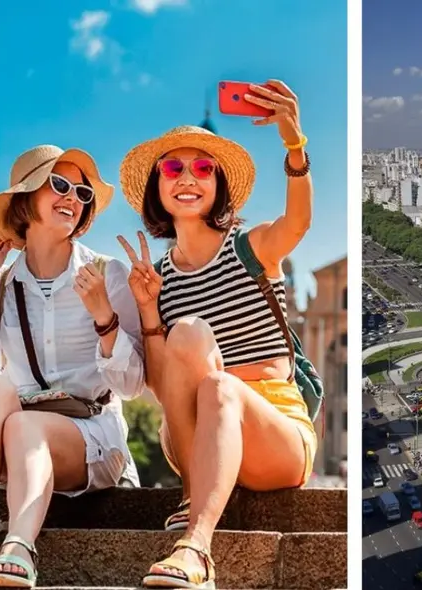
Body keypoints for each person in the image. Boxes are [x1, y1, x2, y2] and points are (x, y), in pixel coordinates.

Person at [117, 80, 316, 588]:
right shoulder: (157, 278)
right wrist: (147, 310)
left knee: (222, 387)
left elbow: (297, 222)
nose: (189, 177)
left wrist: (295, 146)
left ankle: (197, 546)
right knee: (185, 339)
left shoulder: (249, 248)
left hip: (276, 435)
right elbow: (166, 390)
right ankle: (194, 495)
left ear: (219, 185)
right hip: (194, 435)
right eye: (173, 168)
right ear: (157, 187)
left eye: (204, 168)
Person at [0, 146, 146, 587]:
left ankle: (19, 545)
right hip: (16, 440)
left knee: (25, 427)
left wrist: (104, 317)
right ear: (25, 200)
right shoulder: (4, 284)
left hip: (90, 436)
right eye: (59, 185)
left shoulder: (108, 274)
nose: (73, 197)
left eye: (81, 191)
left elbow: (134, 384)